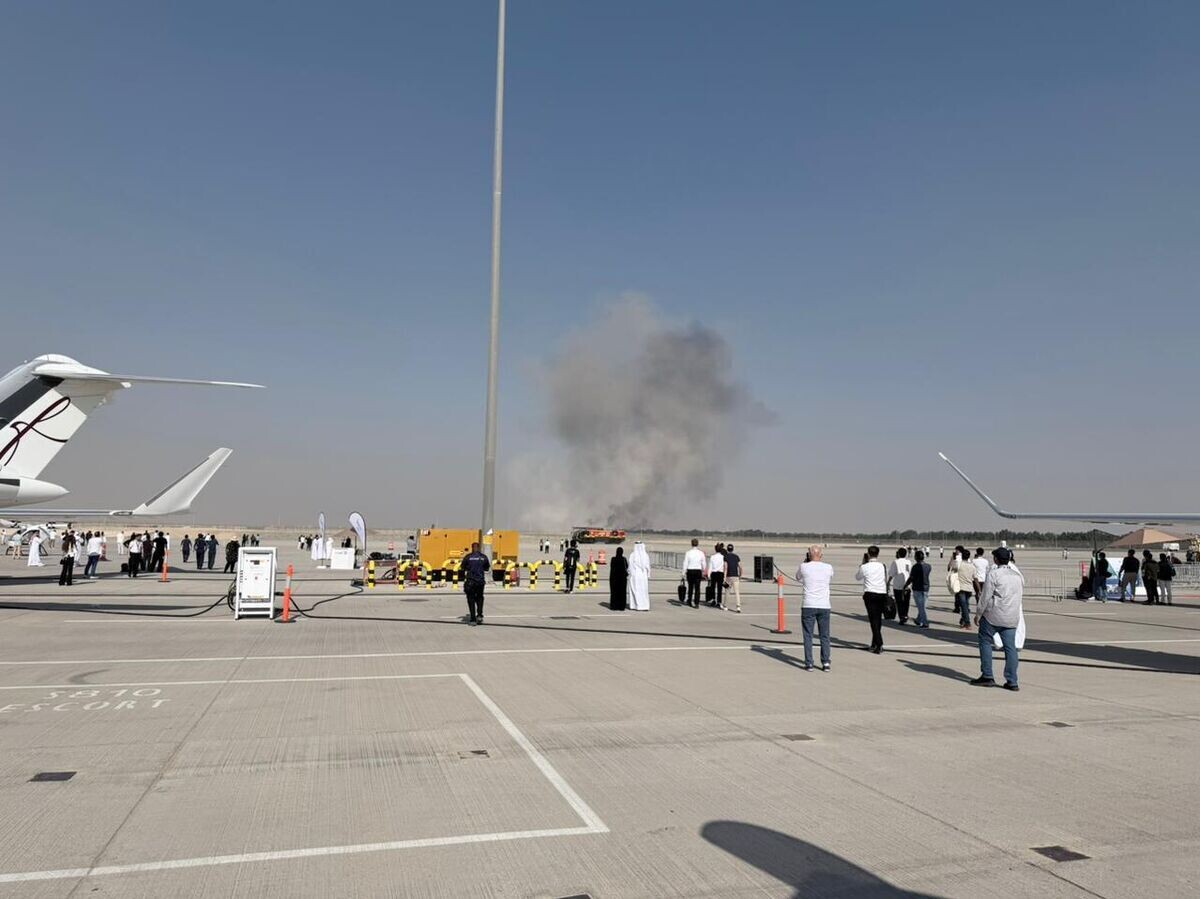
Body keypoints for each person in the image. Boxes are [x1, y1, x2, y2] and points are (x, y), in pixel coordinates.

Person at [972, 547, 1024, 691]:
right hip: (1011, 617)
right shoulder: (1017, 575)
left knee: (985, 640)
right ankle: (1012, 681)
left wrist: (978, 614)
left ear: (996, 559)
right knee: (1010, 648)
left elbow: (985, 596)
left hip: (994, 616)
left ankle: (987, 675)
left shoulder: (994, 574)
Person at [797, 545, 834, 671]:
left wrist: (806, 562)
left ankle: (809, 662)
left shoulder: (804, 566)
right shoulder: (828, 567)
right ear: (821, 555)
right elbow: (830, 577)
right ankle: (826, 662)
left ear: (809, 555)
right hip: (824, 605)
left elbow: (798, 577)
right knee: (825, 635)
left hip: (808, 604)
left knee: (808, 635)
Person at [855, 545, 889, 654]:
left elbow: (857, 577)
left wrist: (862, 564)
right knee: (878, 620)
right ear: (877, 554)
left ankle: (879, 643)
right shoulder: (882, 566)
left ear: (868, 554)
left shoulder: (865, 567)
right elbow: (885, 579)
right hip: (881, 594)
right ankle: (874, 643)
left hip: (870, 594)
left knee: (873, 620)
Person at [461, 542, 490, 625]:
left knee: (471, 599)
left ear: (472, 548)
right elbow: (487, 568)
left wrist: (469, 568)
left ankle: (473, 619)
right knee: (480, 598)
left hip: (470, 581)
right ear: (479, 548)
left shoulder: (468, 557)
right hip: (480, 582)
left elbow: (462, 567)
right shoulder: (484, 557)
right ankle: (480, 615)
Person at [905, 549, 932, 628]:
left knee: (921, 607)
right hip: (926, 588)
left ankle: (925, 623)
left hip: (917, 588)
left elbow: (911, 578)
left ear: (916, 557)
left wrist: (905, 585)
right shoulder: (928, 566)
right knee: (922, 606)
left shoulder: (916, 567)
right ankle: (919, 620)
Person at [951, 550, 975, 629]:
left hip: (961, 588)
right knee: (965, 605)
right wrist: (978, 590)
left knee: (964, 606)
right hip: (969, 589)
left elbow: (950, 568)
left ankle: (967, 623)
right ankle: (963, 620)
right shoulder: (972, 566)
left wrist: (954, 557)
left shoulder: (959, 564)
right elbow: (975, 578)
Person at [888, 548, 913, 624]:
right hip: (907, 585)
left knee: (899, 602)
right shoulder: (909, 562)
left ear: (898, 554)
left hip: (898, 585)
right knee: (906, 602)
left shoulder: (895, 562)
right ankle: (905, 615)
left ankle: (902, 617)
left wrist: (888, 582)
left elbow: (891, 574)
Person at [682, 538, 706, 608]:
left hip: (690, 570)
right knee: (697, 588)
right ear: (697, 544)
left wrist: (683, 573)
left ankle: (689, 600)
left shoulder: (688, 553)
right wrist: (704, 571)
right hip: (698, 571)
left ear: (691, 544)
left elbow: (685, 563)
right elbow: (703, 563)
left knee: (690, 587)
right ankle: (696, 603)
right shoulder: (701, 553)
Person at [628, 542, 651, 611]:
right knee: (643, 590)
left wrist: (630, 573)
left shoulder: (633, 555)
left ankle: (636, 605)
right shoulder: (645, 555)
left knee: (635, 590)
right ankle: (644, 605)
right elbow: (648, 566)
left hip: (635, 575)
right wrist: (648, 574)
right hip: (643, 575)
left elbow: (630, 566)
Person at [724, 543, 742, 613]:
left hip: (728, 576)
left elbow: (725, 567)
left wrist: (724, 578)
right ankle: (738, 607)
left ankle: (725, 606)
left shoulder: (725, 557)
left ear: (727, 549)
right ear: (733, 549)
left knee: (727, 591)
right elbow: (740, 567)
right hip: (736, 576)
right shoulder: (736, 557)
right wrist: (740, 575)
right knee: (737, 592)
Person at [608, 546, 628, 610]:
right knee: (622, 592)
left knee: (614, 592)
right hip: (622, 579)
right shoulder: (624, 559)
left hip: (614, 578)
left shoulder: (613, 559)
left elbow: (611, 566)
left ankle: (614, 606)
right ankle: (621, 606)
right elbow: (627, 566)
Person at [708, 543, 726, 609]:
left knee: (713, 587)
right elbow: (724, 566)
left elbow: (710, 566)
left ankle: (713, 600)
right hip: (720, 573)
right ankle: (719, 601)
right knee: (719, 588)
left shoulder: (712, 557)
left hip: (714, 573)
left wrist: (708, 575)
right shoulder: (723, 557)